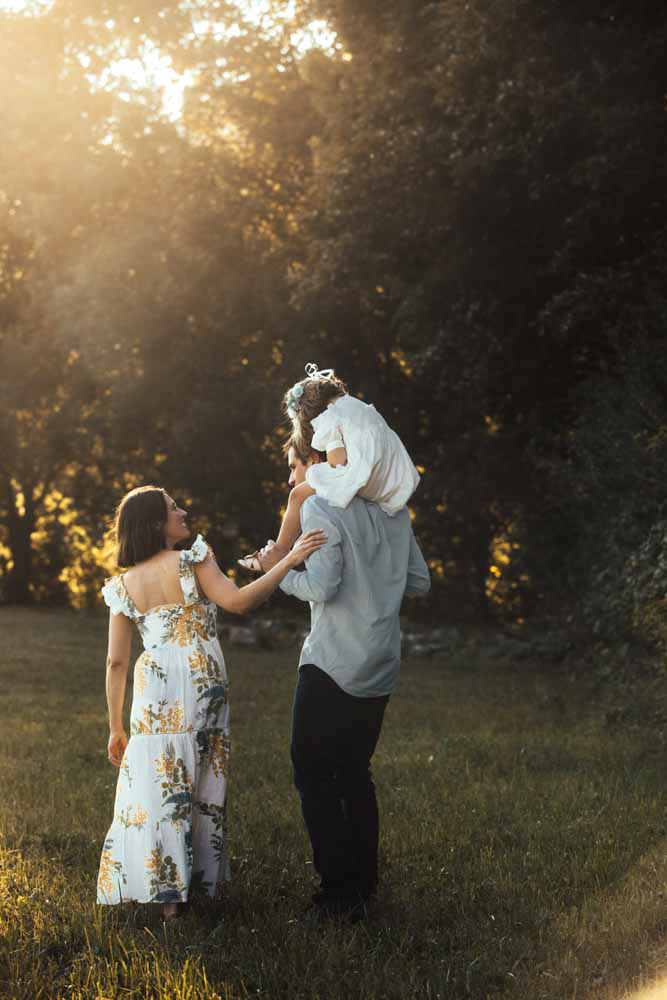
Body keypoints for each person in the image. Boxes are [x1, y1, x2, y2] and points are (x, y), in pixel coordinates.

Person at [96, 485, 326, 921]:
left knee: (157, 782)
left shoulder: (123, 586)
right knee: (200, 778)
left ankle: (166, 894)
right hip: (200, 679)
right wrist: (289, 561)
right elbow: (239, 601)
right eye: (172, 509)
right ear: (154, 524)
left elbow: (116, 661)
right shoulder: (192, 559)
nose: (183, 512)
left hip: (155, 686)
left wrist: (115, 726)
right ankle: (192, 880)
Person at [260, 435, 431, 924]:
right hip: (380, 661)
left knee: (313, 773)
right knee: (354, 771)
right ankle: (364, 884)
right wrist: (377, 585)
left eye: (294, 468)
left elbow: (322, 586)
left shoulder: (322, 510)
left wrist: (279, 569)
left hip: (332, 663)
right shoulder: (394, 511)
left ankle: (338, 894)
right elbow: (419, 581)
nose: (293, 481)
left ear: (316, 463)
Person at [238, 363, 420, 572]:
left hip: (366, 474)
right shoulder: (355, 406)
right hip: (391, 475)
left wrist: (327, 474)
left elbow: (338, 463)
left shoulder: (328, 417)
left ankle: (279, 551)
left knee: (298, 495)